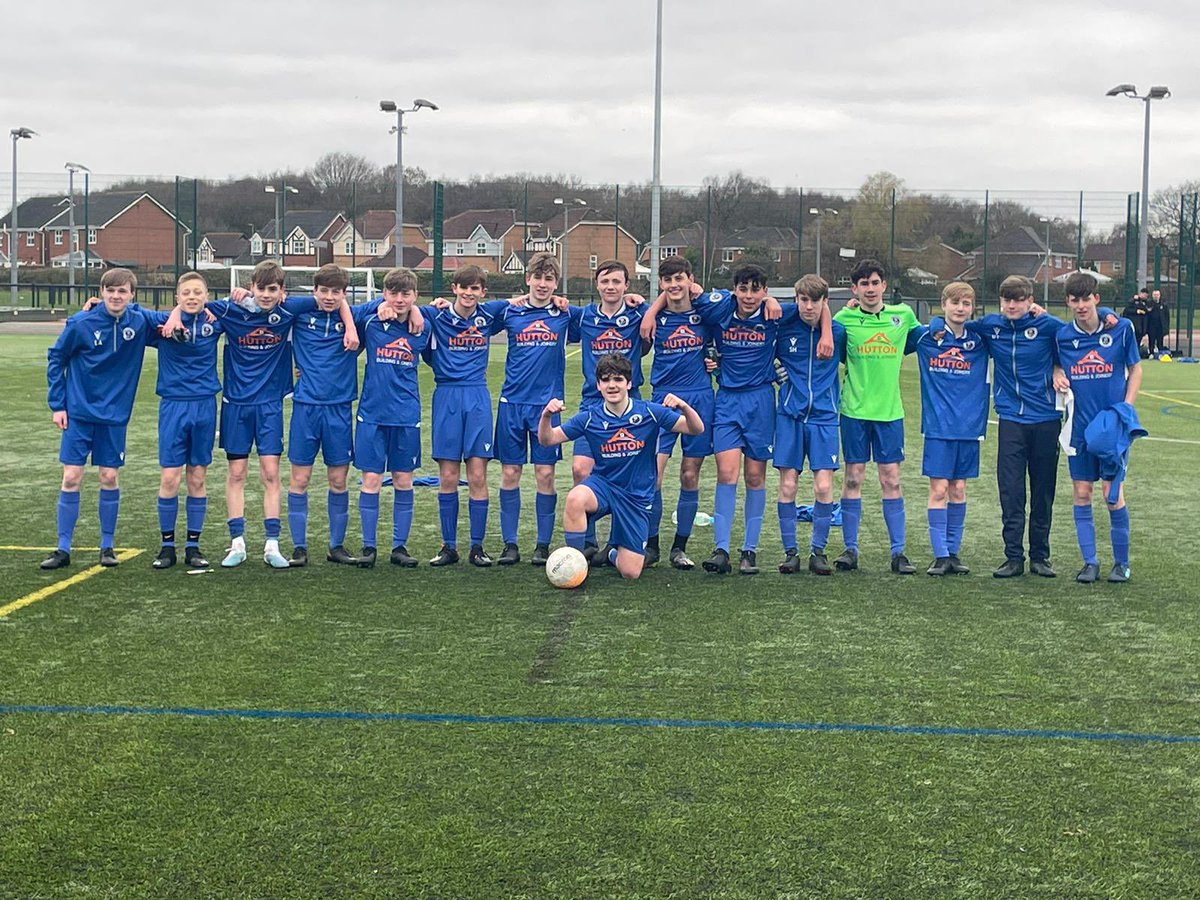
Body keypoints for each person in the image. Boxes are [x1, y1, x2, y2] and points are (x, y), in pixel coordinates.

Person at [163, 260, 357, 569]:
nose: (266, 295)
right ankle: (237, 543)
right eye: (261, 288)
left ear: (282, 292)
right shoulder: (230, 310)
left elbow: (336, 298)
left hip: (270, 406)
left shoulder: (291, 309)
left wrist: (348, 325)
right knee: (237, 473)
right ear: (251, 287)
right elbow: (192, 304)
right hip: (235, 404)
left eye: (273, 289)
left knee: (270, 473)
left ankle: (272, 544)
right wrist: (175, 314)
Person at [537, 353, 704, 580]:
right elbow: (548, 439)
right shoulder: (589, 417)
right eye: (606, 380)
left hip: (636, 496)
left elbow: (696, 429)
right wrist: (546, 415)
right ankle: (576, 562)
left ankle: (611, 553)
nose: (612, 385)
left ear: (629, 383)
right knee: (575, 498)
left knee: (631, 572)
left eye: (618, 379)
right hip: (603, 487)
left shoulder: (649, 412)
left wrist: (684, 406)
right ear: (598, 385)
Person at [41, 268, 162, 570]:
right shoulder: (82, 322)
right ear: (102, 291)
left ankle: (107, 546)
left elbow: (178, 318)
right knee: (71, 477)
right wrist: (58, 404)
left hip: (114, 416)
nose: (116, 296)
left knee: (109, 477)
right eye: (110, 291)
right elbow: (57, 358)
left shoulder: (140, 320)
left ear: (132, 295)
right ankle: (62, 548)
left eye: (122, 291)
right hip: (79, 413)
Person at [832, 259, 923, 574]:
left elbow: (923, 340)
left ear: (884, 285)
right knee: (853, 477)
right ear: (854, 289)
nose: (870, 289)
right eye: (863, 284)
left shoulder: (904, 316)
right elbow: (835, 349)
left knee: (891, 480)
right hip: (854, 411)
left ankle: (898, 553)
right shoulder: (843, 319)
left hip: (889, 413)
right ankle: (850, 550)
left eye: (875, 282)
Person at [1054, 272, 1142, 583]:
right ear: (1068, 301)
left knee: (1111, 494)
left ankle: (1122, 563)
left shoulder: (1120, 329)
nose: (1080, 305)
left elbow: (1136, 368)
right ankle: (1089, 562)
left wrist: (1126, 408)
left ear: (1096, 299)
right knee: (1081, 492)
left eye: (1086, 299)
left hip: (1112, 427)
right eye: (1074, 300)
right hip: (1079, 427)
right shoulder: (1062, 336)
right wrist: (1055, 372)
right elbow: (1054, 359)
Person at [423, 265, 511, 567]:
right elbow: (402, 306)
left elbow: (523, 301)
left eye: (475, 288)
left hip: (476, 397)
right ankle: (448, 546)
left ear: (483, 292)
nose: (469, 293)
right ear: (454, 288)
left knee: (477, 474)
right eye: (464, 287)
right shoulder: (435, 315)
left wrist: (561, 301)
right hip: (446, 395)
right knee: (448, 475)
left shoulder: (489, 314)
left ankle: (477, 546)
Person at [641, 255, 723, 570]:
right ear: (661, 284)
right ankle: (652, 546)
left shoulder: (705, 315)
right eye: (668, 280)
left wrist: (715, 361)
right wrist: (651, 309)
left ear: (690, 280)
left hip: (699, 400)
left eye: (680, 279)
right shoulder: (653, 320)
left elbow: (723, 348)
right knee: (655, 476)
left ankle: (680, 546)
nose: (674, 286)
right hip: (661, 400)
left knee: (690, 474)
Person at [493, 252, 575, 566]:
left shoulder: (566, 314)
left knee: (544, 475)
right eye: (538, 278)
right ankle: (510, 544)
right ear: (528, 279)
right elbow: (471, 310)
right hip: (512, 404)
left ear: (556, 283)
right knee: (510, 473)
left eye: (549, 279)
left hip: (546, 407)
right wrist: (440, 304)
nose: (543, 284)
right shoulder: (509, 311)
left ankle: (542, 545)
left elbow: (600, 315)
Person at [567, 259, 649, 563]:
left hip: (629, 402)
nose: (611, 287)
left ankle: (619, 542)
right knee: (580, 469)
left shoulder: (639, 311)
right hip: (592, 403)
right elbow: (548, 302)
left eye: (617, 282)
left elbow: (674, 300)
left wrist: (647, 303)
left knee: (627, 475)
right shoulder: (585, 315)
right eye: (605, 282)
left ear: (627, 285)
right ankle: (586, 541)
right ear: (597, 285)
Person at [282, 263, 363, 568]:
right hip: (305, 408)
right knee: (300, 478)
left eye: (336, 292)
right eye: (324, 291)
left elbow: (393, 303)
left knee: (338, 479)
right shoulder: (299, 311)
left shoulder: (356, 314)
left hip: (339, 409)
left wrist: (351, 325)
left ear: (344, 294)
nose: (329, 297)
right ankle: (299, 547)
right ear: (314, 291)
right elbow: (262, 298)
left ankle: (336, 546)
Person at [351, 267, 432, 568]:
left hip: (406, 415)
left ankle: (399, 547)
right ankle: (368, 547)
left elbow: (443, 308)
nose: (399, 299)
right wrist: (377, 304)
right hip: (372, 414)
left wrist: (420, 312)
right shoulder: (370, 322)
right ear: (385, 294)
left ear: (414, 296)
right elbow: (348, 308)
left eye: (406, 294)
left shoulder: (422, 328)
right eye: (393, 293)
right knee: (371, 479)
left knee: (403, 479)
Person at [147, 272, 225, 570]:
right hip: (173, 406)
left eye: (198, 292)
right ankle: (167, 546)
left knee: (197, 476)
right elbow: (131, 311)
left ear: (206, 296)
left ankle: (193, 545)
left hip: (205, 405)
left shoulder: (214, 321)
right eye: (186, 293)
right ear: (177, 297)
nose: (192, 297)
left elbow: (249, 305)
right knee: (170, 477)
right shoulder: (161, 324)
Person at [912, 282, 990, 576]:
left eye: (966, 303)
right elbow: (895, 335)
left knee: (958, 489)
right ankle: (940, 554)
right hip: (938, 428)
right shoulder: (926, 337)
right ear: (942, 304)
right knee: (939, 488)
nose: (960, 308)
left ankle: (953, 553)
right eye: (954, 302)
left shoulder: (981, 340)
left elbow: (1010, 327)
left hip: (970, 428)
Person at [774, 274, 845, 575]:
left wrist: (826, 330)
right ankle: (791, 552)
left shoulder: (839, 333)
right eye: (803, 300)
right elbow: (761, 351)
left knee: (824, 485)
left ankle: (819, 552)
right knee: (788, 484)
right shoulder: (785, 326)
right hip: (789, 416)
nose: (808, 306)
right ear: (796, 299)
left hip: (825, 418)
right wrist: (776, 372)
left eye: (815, 301)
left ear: (824, 302)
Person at [1121, 288, 1150, 354]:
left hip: (1142, 327)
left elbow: (1147, 310)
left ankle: (1135, 354)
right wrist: (1137, 311)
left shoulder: (1146, 302)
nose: (1145, 297)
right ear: (1140, 294)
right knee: (1131, 341)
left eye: (1146, 296)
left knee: (1138, 342)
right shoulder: (1133, 301)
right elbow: (1127, 310)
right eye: (1144, 295)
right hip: (1134, 326)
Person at [1146, 289, 1169, 356]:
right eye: (1154, 295)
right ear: (1152, 296)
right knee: (1151, 340)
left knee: (1160, 341)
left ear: (1159, 295)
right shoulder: (1149, 303)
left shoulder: (1163, 304)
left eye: (1157, 295)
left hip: (1160, 326)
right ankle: (1151, 353)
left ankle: (1160, 353)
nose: (1156, 296)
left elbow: (1166, 316)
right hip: (1151, 326)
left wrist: (1166, 326)